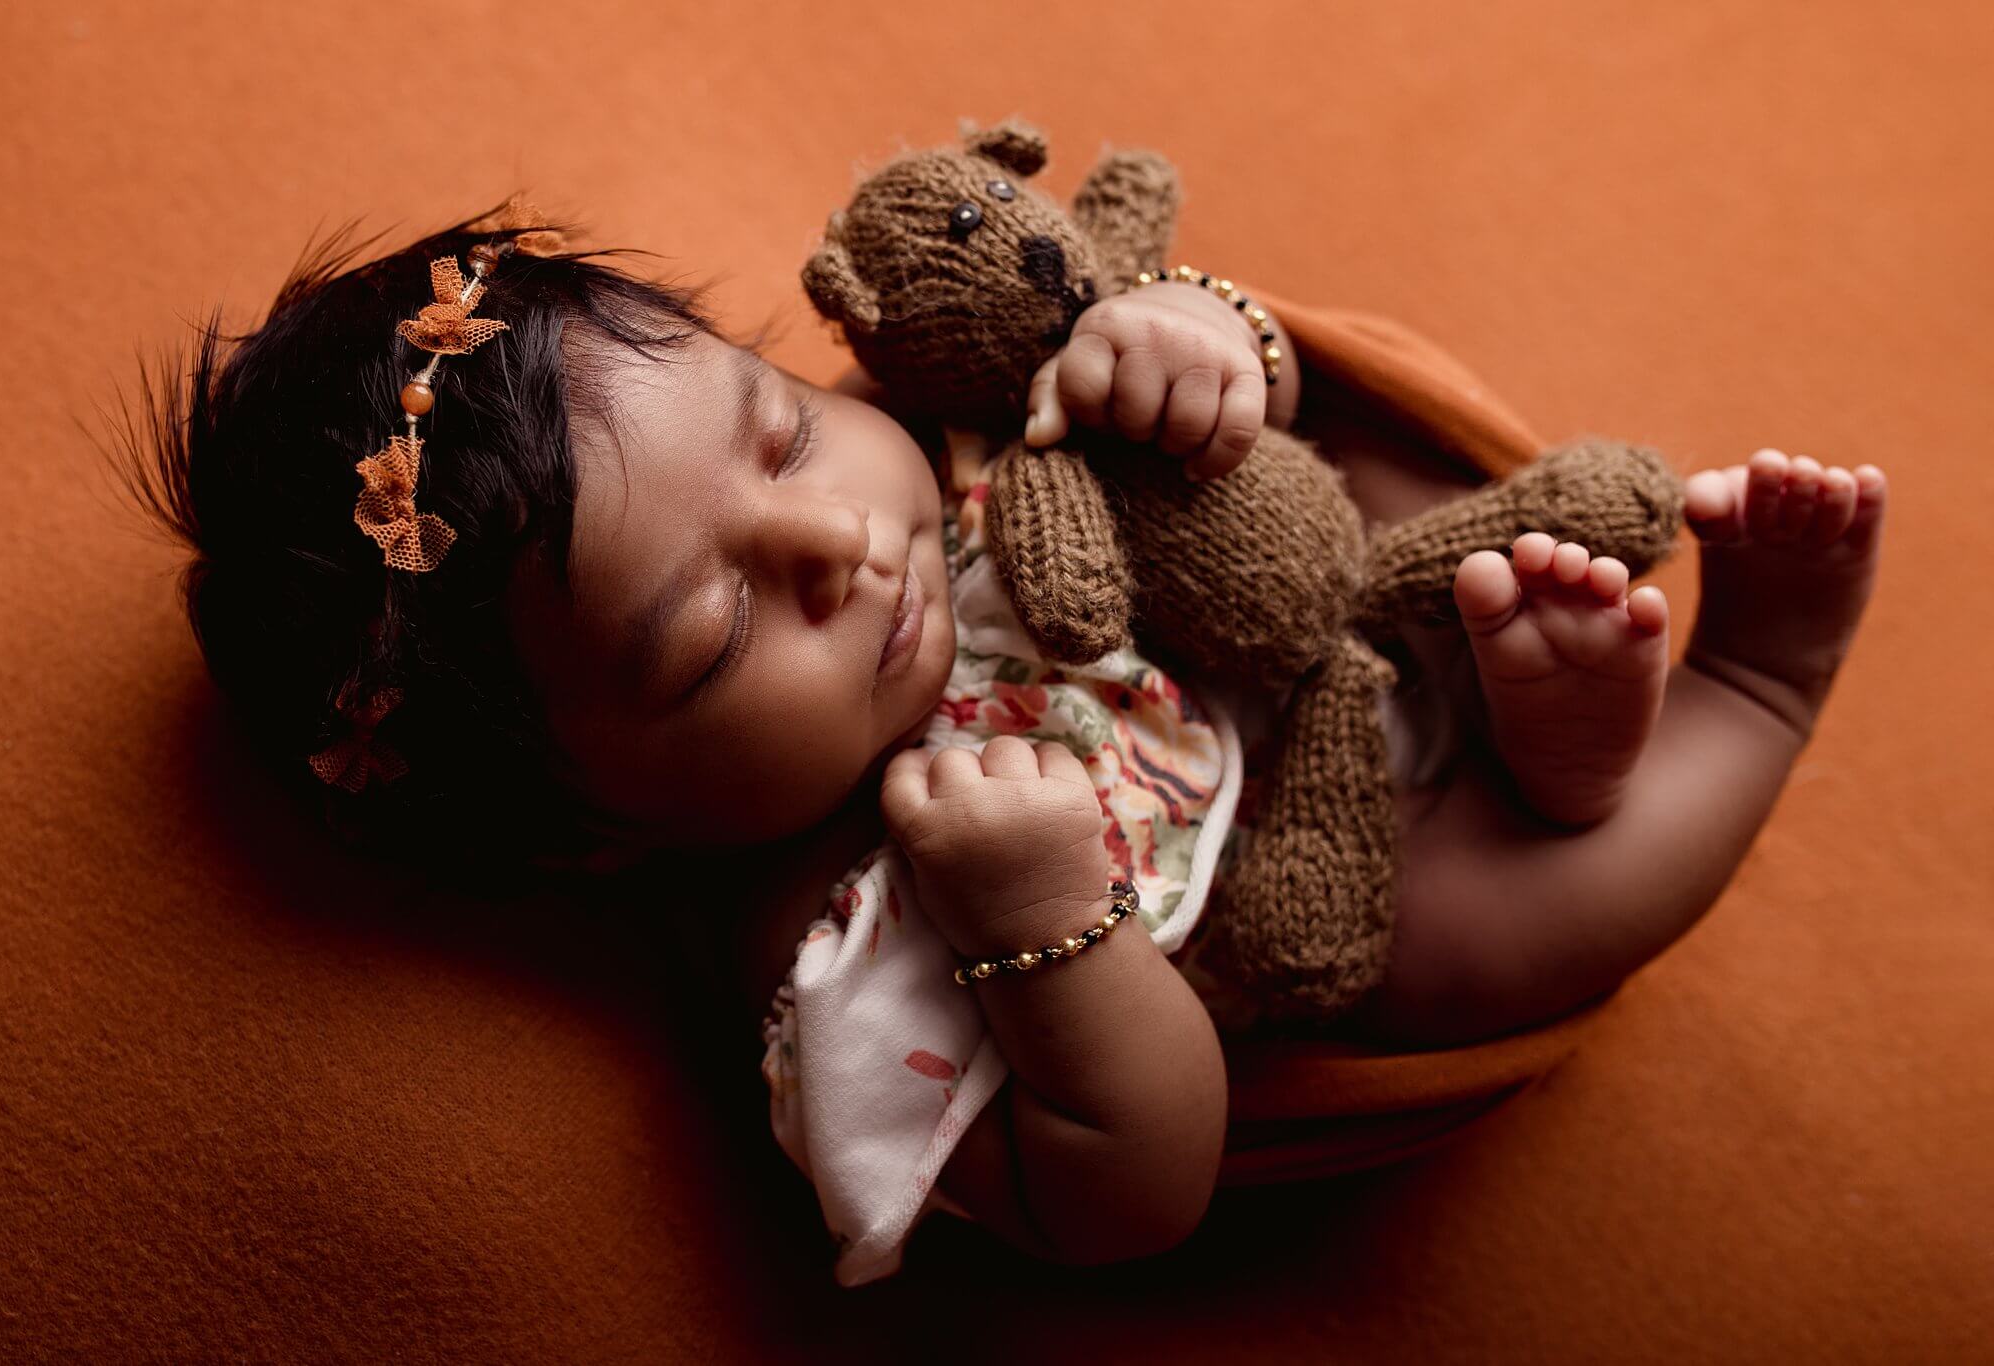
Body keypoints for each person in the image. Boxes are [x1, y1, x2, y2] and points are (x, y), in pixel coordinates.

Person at [119, 203, 1886, 1286]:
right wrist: (1049, 930)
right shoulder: (830, 949)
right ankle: (1748, 691)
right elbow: (1132, 1189)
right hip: (1321, 899)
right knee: (1464, 942)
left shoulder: (934, 425)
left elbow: (1151, 329)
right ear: (605, 834)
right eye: (717, 633)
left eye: (785, 433)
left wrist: (1193, 341)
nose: (836, 543)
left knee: (1327, 452)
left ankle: (1518, 660)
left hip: (1309, 596)